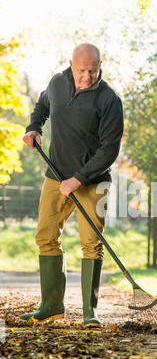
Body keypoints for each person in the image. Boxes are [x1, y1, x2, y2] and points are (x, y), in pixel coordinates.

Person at [20, 43, 124, 328]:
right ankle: (52, 305)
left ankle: (90, 312)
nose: (88, 77)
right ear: (70, 65)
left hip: (93, 180)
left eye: (93, 70)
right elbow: (42, 105)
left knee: (91, 244)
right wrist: (34, 127)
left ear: (100, 65)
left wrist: (79, 178)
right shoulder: (56, 82)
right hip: (56, 175)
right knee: (45, 235)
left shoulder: (108, 99)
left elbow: (109, 150)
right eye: (82, 71)